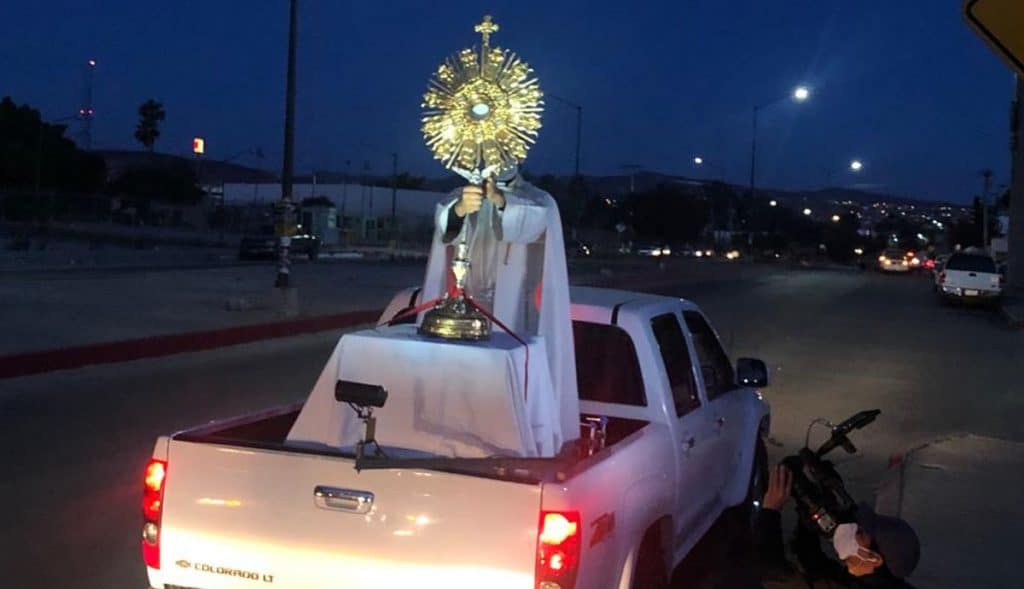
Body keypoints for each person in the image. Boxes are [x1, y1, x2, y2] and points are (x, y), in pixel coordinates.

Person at [419, 168, 579, 448]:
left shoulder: (537, 199)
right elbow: (444, 224)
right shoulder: (461, 195)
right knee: (462, 387)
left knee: (509, 391)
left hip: (515, 314)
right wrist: (458, 211)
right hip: (466, 306)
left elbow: (534, 222)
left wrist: (502, 203)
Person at [756, 465, 920, 588]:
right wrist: (809, 513)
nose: (853, 529)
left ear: (874, 559)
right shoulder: (870, 578)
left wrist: (770, 511)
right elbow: (814, 565)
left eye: (860, 533)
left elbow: (771, 571)